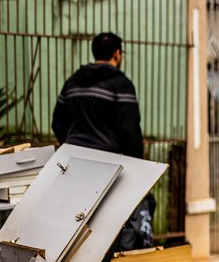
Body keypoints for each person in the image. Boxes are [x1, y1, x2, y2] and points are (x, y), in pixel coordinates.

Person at [52, 32, 154, 249]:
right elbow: (129, 131)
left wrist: (71, 145)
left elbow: (58, 123)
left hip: (74, 165)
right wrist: (138, 170)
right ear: (117, 54)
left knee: (77, 224)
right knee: (106, 229)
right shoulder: (121, 85)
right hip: (109, 169)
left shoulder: (72, 83)